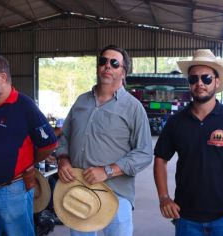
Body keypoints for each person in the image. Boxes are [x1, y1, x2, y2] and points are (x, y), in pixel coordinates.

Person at [153, 49, 223, 236]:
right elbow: (160, 159)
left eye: (206, 78)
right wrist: (164, 198)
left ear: (217, 82)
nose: (200, 83)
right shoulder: (176, 122)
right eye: (193, 79)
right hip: (186, 218)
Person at [55, 44, 153, 236]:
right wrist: (63, 159)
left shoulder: (133, 108)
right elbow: (64, 136)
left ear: (124, 73)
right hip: (79, 191)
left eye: (114, 63)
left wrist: (108, 171)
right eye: (103, 61)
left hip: (116, 194)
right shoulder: (81, 101)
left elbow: (144, 152)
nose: (107, 66)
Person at [0, 52, 58, 236]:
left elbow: (49, 144)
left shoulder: (24, 106)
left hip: (11, 191)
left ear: (3, 77)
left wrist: (27, 162)